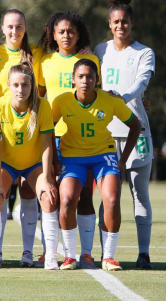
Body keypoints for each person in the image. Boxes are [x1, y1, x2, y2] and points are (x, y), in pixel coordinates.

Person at [52, 59, 141, 271]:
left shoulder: (110, 101)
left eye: (90, 77)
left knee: (111, 198)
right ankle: (69, 256)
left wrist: (122, 160)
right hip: (72, 156)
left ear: (97, 80)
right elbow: (46, 130)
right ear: (73, 80)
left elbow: (136, 126)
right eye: (80, 77)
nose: (85, 81)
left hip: (104, 155)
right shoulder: (61, 101)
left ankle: (108, 257)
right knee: (67, 199)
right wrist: (54, 162)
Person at [94, 0, 155, 269]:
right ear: (109, 24)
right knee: (109, 195)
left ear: (131, 23)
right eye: (115, 22)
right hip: (106, 132)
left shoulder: (144, 53)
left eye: (125, 22)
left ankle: (144, 253)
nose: (120, 26)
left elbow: (142, 84)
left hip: (136, 129)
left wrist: (123, 98)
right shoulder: (100, 51)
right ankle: (104, 253)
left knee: (139, 193)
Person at [37, 11, 100, 268]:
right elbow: (39, 98)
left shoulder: (90, 59)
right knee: (51, 196)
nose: (66, 35)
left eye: (71, 31)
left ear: (79, 33)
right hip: (51, 136)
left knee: (83, 197)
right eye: (61, 31)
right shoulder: (44, 62)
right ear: (53, 34)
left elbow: (99, 96)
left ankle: (86, 252)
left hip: (81, 139)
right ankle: (49, 250)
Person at [0, 62, 59, 270]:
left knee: (48, 197)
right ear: (8, 85)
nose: (20, 89)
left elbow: (46, 145)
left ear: (32, 86)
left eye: (25, 85)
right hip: (7, 163)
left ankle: (49, 256)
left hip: (33, 163)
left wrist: (45, 176)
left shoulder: (42, 105)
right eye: (16, 85)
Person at [0, 9, 44, 265]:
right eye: (9, 27)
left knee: (29, 191)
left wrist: (86, 49)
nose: (14, 31)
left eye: (19, 27)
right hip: (2, 134)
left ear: (25, 27)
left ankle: (27, 253)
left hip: (30, 133)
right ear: (2, 28)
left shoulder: (38, 54)